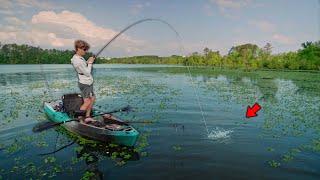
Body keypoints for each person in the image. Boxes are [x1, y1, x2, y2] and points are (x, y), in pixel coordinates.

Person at [71, 40, 96, 123]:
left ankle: (87, 116)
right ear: (78, 49)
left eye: (86, 49)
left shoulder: (78, 58)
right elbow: (87, 73)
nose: (86, 51)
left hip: (87, 82)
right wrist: (90, 63)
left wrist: (87, 61)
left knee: (92, 98)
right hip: (85, 83)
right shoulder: (77, 60)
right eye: (84, 49)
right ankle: (79, 117)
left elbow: (83, 67)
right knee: (88, 101)